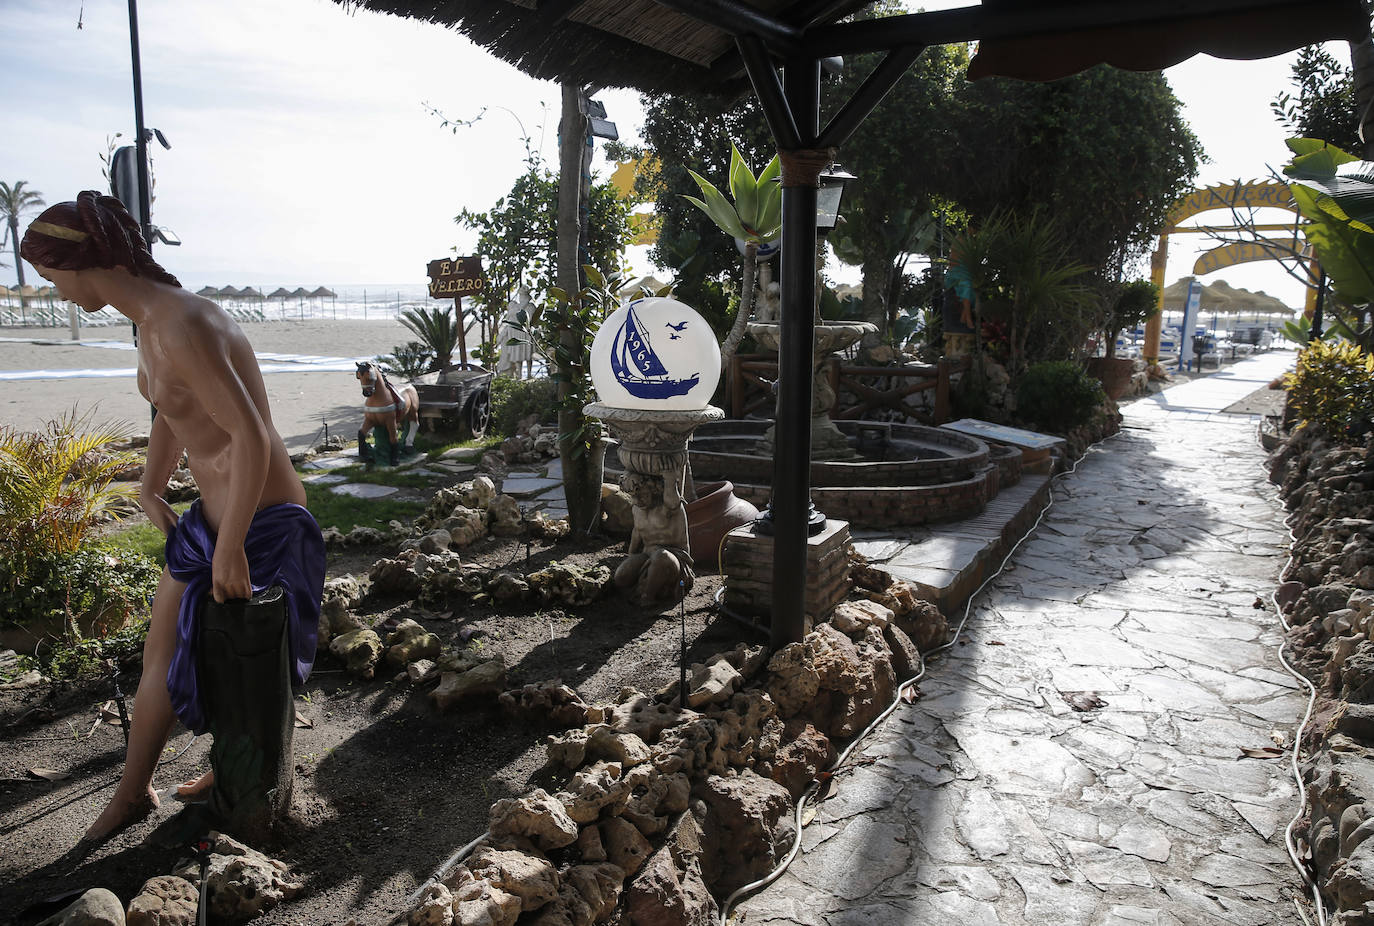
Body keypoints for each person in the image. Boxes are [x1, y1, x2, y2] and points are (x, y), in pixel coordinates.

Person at [20, 192, 324, 842]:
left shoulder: (182, 322)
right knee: (164, 651)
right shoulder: (152, 323)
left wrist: (232, 544)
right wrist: (150, 486)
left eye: (50, 275)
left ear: (81, 261)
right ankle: (134, 793)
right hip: (214, 521)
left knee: (245, 656)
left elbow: (250, 434)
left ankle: (238, 769)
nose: (54, 290)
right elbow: (174, 410)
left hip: (261, 518)